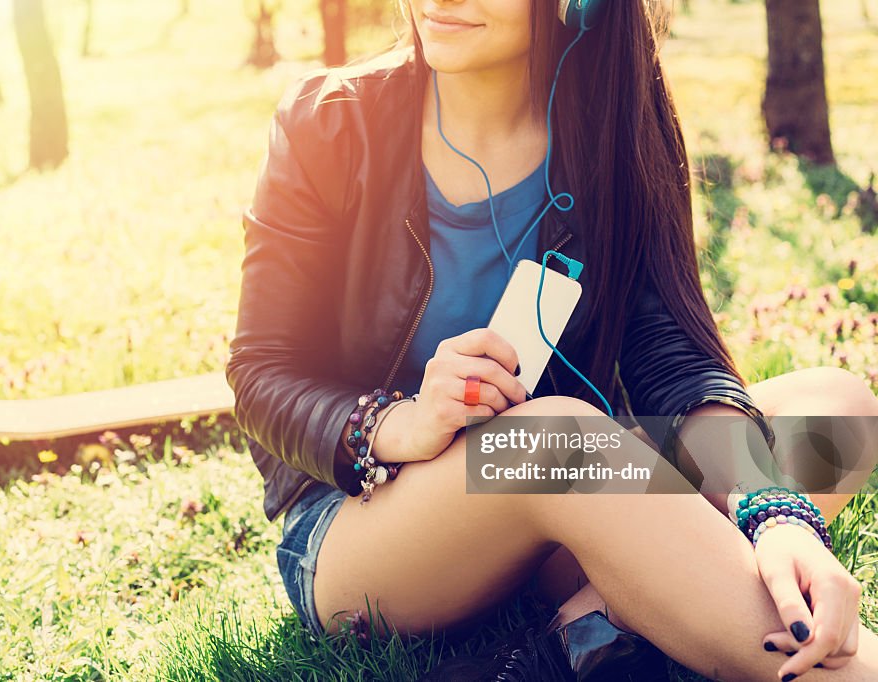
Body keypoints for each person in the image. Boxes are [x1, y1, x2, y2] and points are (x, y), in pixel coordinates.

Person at [225, 0, 878, 679]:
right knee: (559, 440)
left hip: (557, 491)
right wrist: (398, 421)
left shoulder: (612, 126)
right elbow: (262, 372)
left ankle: (574, 638)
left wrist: (772, 512)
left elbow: (674, 358)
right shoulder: (328, 120)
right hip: (365, 522)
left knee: (837, 407)